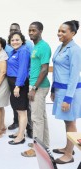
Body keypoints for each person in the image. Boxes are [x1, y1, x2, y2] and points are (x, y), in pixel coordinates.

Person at [51, 20, 81, 164]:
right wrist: (53, 89)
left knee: (71, 123)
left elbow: (74, 76)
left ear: (73, 33)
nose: (59, 33)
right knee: (67, 121)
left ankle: (69, 154)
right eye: (59, 30)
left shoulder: (75, 50)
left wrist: (68, 99)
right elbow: (57, 70)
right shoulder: (60, 47)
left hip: (70, 92)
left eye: (63, 31)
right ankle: (67, 147)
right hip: (60, 89)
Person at [21, 22, 51, 157]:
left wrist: (33, 88)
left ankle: (36, 150)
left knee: (36, 118)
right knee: (41, 117)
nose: (31, 32)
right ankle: (44, 144)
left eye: (34, 30)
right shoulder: (35, 46)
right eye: (29, 30)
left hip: (38, 87)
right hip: (35, 85)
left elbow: (44, 69)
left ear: (40, 31)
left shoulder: (44, 47)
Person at [5, 23, 33, 139]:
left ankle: (21, 136)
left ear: (22, 41)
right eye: (12, 40)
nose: (15, 42)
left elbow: (22, 70)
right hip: (13, 84)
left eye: (17, 40)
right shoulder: (14, 51)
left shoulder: (23, 51)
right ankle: (19, 132)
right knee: (18, 110)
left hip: (19, 84)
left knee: (22, 111)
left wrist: (18, 86)